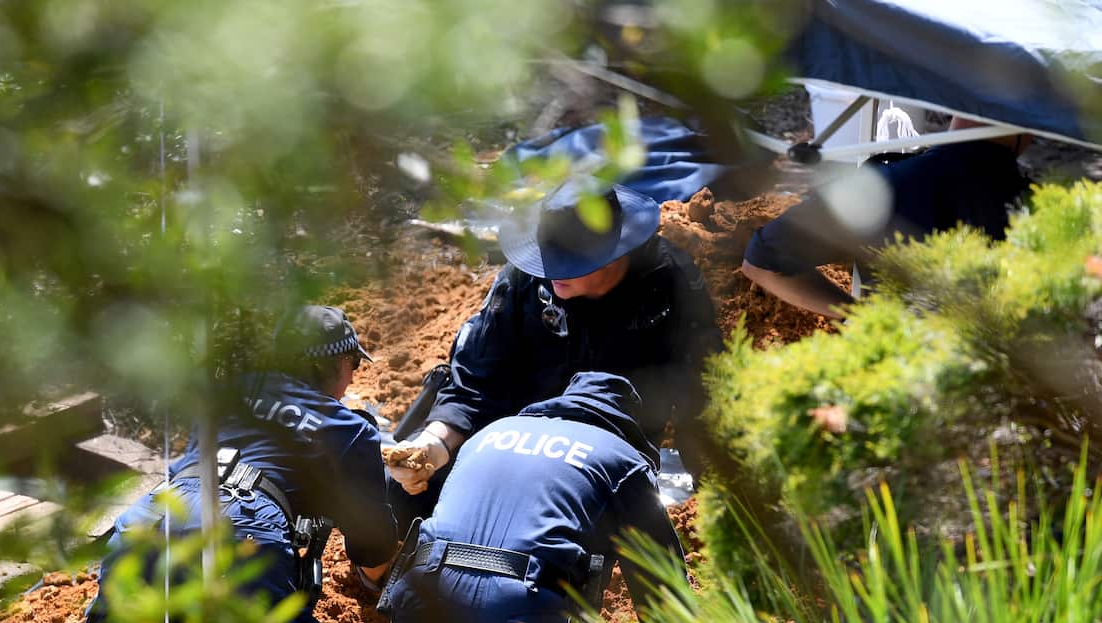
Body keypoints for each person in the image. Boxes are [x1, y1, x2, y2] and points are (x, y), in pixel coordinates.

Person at [38, 305, 398, 623]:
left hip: (153, 516)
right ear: (333, 365)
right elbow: (373, 549)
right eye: (352, 367)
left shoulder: (227, 394)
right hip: (239, 528)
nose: (350, 383)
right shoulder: (345, 429)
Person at [363, 372, 686, 623]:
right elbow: (665, 595)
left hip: (424, 597)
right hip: (518, 611)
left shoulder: (490, 433)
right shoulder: (622, 459)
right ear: (626, 424)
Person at [384, 180, 723, 508]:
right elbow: (474, 383)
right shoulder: (524, 281)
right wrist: (433, 445)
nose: (551, 271)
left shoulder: (667, 281)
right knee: (400, 494)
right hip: (513, 440)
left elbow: (700, 393)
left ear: (616, 252)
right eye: (548, 255)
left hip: (610, 455)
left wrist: (718, 496)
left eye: (569, 262)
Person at [741, 118, 1032, 318]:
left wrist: (856, 318)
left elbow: (761, 261)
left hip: (887, 385)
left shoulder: (888, 185)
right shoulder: (1042, 211)